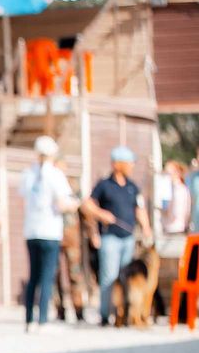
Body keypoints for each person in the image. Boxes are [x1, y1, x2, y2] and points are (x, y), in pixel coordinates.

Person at [81, 146, 153, 326]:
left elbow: (140, 209)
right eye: (129, 163)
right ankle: (105, 315)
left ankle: (124, 315)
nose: (132, 166)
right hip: (110, 238)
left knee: (126, 279)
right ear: (118, 164)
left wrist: (146, 228)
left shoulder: (132, 186)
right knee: (109, 277)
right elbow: (87, 205)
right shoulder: (104, 185)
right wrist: (101, 214)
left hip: (128, 238)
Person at [19, 136, 80, 332]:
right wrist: (75, 203)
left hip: (31, 230)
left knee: (33, 277)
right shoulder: (55, 174)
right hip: (50, 231)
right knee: (46, 277)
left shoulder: (28, 174)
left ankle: (29, 320)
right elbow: (63, 203)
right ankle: (43, 320)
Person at [52, 158, 89, 323]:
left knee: (75, 273)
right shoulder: (50, 186)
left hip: (71, 237)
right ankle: (60, 309)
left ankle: (79, 308)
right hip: (52, 235)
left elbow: (83, 209)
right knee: (54, 274)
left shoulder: (73, 185)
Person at [160, 160, 191, 235]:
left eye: (168, 173)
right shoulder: (175, 188)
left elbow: (176, 212)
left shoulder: (179, 189)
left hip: (175, 229)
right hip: (172, 228)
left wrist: (164, 211)